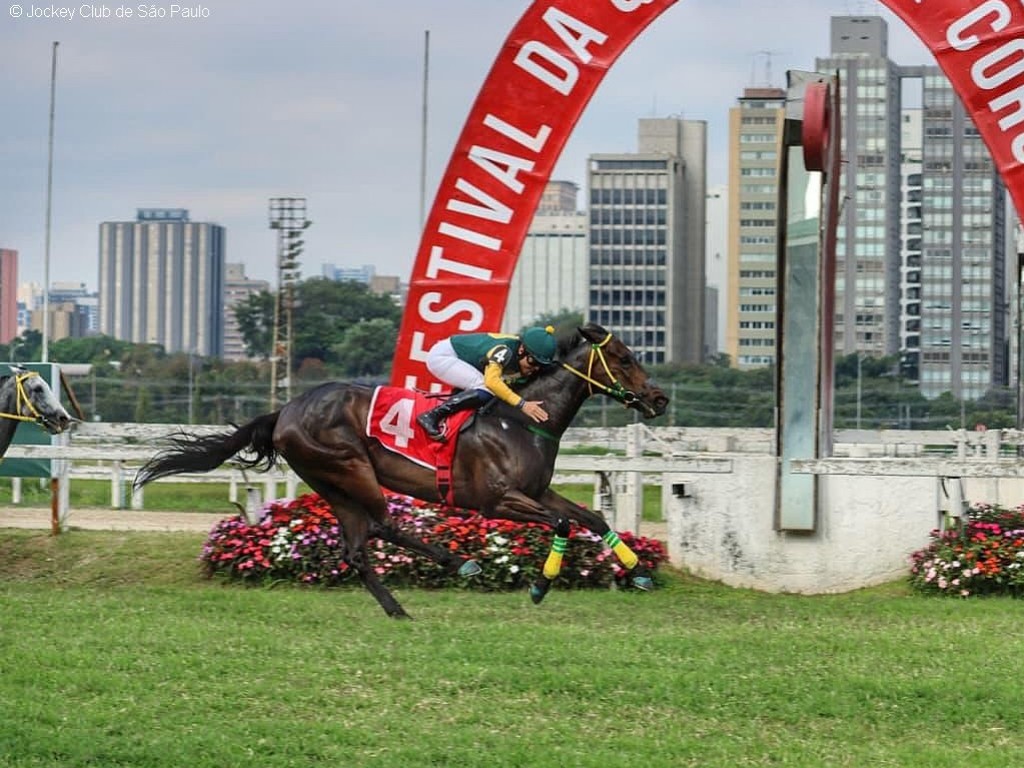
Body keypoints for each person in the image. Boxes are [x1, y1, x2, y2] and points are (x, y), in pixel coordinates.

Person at [416, 325, 558, 442]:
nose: (534, 368)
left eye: (540, 365)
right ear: (521, 350)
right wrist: (522, 404)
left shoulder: (523, 357)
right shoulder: (505, 350)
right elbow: (491, 382)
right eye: (532, 362)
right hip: (443, 356)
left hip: (464, 361)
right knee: (487, 388)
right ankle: (432, 415)